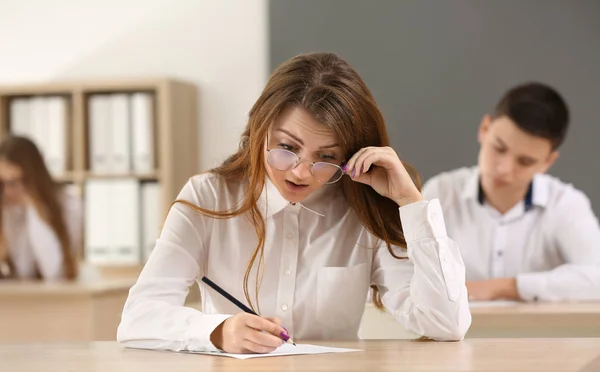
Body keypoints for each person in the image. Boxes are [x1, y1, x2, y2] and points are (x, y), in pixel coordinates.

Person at [117, 52, 471, 354]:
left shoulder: (362, 210)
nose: (301, 172)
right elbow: (139, 317)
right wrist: (217, 331)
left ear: (350, 156)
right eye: (287, 147)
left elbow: (445, 324)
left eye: (325, 156)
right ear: (260, 129)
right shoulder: (207, 197)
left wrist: (410, 202)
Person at [422, 82, 600, 302]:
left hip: (539, 335)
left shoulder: (566, 204)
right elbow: (407, 271)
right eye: (499, 148)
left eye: (525, 161)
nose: (504, 169)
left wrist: (505, 287)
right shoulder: (441, 192)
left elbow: (596, 278)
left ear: (547, 162)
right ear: (484, 129)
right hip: (453, 335)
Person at [0, 135, 82, 280]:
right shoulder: (6, 209)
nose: (8, 191)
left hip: (51, 299)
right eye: (2, 183)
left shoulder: (68, 204)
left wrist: (34, 207)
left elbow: (53, 271)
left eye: (14, 182)